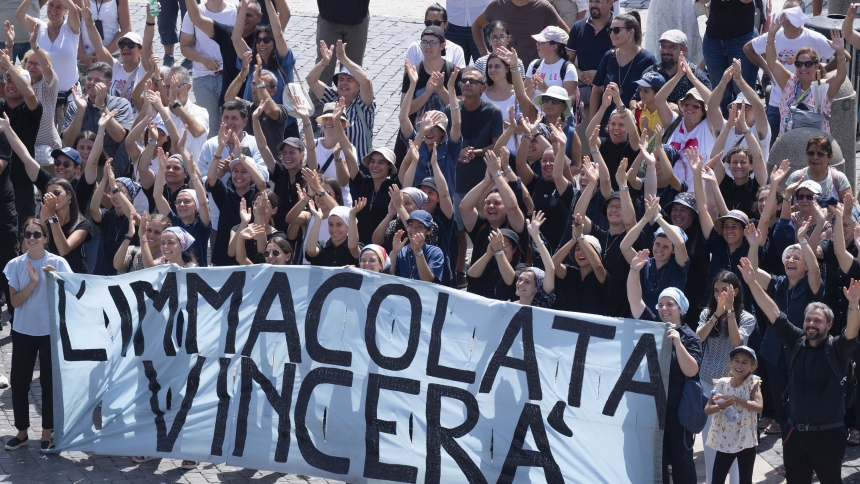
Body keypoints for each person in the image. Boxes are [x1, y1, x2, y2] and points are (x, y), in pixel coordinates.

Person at [741, 259, 860, 484]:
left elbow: (852, 331)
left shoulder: (837, 349)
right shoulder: (796, 340)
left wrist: (854, 304)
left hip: (829, 435)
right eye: (808, 320)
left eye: (817, 320)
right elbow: (774, 312)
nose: (811, 324)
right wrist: (752, 283)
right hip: (794, 434)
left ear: (829, 325)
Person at [627, 250, 702, 484]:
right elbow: (635, 301)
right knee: (656, 462)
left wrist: (678, 343)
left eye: (670, 304)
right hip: (654, 408)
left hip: (678, 411)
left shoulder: (690, 337)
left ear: (681, 309)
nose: (664, 309)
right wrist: (634, 270)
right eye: (660, 304)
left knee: (681, 461)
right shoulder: (654, 328)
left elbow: (692, 370)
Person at [3, 217, 72, 452]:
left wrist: (56, 280)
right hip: (23, 330)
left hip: (50, 331)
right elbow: (14, 302)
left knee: (48, 383)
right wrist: (32, 284)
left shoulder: (58, 263)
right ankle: (21, 433)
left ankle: (46, 433)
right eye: (27, 234)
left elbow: (71, 296)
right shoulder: (14, 264)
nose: (31, 238)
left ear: (45, 238)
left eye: (36, 234)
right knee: (20, 383)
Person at [747, 0, 836, 146]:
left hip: (808, 104)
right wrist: (769, 71)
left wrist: (820, 72)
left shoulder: (814, 37)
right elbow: (749, 48)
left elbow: (843, 57)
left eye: (791, 14)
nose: (785, 18)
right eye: (783, 13)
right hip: (777, 103)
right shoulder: (775, 36)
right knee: (771, 147)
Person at [697, 271, 757, 484]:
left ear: (736, 291)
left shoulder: (747, 318)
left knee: (737, 441)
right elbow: (697, 338)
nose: (719, 294)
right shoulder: (706, 314)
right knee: (711, 441)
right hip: (708, 384)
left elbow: (737, 344)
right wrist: (716, 315)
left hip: (736, 386)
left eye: (725, 290)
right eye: (716, 290)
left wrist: (729, 312)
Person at [181, 0, 264, 132]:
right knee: (215, 133)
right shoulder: (227, 34)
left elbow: (282, 22)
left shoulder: (263, 40)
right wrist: (202, 59)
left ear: (259, 17)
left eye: (248, 15)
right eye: (241, 14)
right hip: (225, 95)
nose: (243, 18)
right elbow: (197, 19)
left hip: (250, 100)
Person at [766, 22, 846, 136]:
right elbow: (772, 62)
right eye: (799, 64)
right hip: (789, 145)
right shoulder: (789, 82)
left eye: (808, 64)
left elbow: (840, 77)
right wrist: (771, 36)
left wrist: (840, 52)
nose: (803, 68)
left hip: (815, 150)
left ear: (817, 66)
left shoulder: (823, 88)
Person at [231, 0, 296, 138]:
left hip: (283, 125)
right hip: (252, 123)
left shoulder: (284, 61)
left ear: (274, 43)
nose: (262, 43)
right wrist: (242, 8)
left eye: (267, 40)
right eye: (258, 40)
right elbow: (236, 38)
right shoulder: (250, 60)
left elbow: (278, 33)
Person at [307, 39, 376, 162]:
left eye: (349, 80)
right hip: (329, 167)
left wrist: (343, 59)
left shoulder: (363, 103)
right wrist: (324, 62)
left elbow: (366, 82)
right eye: (341, 79)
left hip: (358, 167)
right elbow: (311, 80)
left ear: (358, 86)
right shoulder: (331, 98)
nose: (344, 83)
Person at [62, 63, 134, 177]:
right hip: (82, 172)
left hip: (113, 171)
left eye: (98, 80)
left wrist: (101, 106)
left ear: (109, 84)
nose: (92, 83)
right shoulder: (75, 106)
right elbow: (69, 142)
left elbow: (119, 136)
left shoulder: (121, 104)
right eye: (89, 79)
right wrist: (80, 111)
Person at [704, 345, 763, 484]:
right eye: (736, 360)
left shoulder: (752, 383)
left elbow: (759, 407)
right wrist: (720, 406)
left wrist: (736, 400)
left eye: (744, 362)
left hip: (746, 441)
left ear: (752, 367)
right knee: (717, 479)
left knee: (745, 480)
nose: (739, 365)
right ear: (730, 363)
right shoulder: (722, 384)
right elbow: (707, 409)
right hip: (726, 440)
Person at [205, 134, 266, 267]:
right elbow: (211, 178)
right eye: (235, 171)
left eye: (244, 171)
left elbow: (261, 183)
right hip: (224, 260)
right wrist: (221, 147)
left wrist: (241, 156)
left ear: (252, 176)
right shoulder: (225, 194)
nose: (238, 175)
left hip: (250, 260)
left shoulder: (257, 196)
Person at [590, 13, 656, 133]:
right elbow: (596, 90)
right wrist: (593, 123)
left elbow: (655, 93)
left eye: (616, 30)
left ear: (631, 32)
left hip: (634, 128)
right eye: (610, 30)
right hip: (608, 126)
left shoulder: (648, 60)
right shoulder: (609, 56)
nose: (612, 34)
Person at [621, 195, 689, 310]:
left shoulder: (678, 267)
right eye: (657, 244)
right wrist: (645, 219)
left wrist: (657, 217)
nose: (659, 250)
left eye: (666, 247)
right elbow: (624, 247)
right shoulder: (643, 262)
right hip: (641, 320)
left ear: (673, 250)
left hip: (666, 321)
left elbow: (680, 244)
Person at [179, 0, 235, 134]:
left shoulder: (235, 12)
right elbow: (184, 46)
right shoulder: (193, 13)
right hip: (203, 79)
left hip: (229, 79)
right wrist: (203, 59)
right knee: (210, 129)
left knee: (232, 127)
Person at [707, 60, 771, 170]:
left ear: (754, 113)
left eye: (746, 107)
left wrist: (739, 81)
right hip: (725, 185)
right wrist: (723, 83)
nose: (741, 111)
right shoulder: (725, 128)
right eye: (737, 106)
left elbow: (759, 108)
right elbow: (712, 106)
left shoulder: (759, 130)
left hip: (752, 185)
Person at [0, 53, 41, 226]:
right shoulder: (1, 106)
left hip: (22, 182)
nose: (11, 85)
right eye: (8, 80)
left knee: (24, 233)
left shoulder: (31, 109)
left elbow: (30, 95)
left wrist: (9, 66)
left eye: (16, 81)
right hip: (2, 180)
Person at [699, 0, 759, 116]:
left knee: (744, 92)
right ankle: (725, 130)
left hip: (741, 40)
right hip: (713, 41)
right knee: (721, 92)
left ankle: (748, 130)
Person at [565, 0, 614, 141]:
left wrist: (600, 76)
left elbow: (626, 59)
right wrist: (580, 74)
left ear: (611, 2)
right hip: (584, 97)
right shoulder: (578, 27)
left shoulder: (618, 28)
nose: (593, 5)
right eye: (591, 1)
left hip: (610, 97)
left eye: (598, 1)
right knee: (584, 144)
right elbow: (567, 60)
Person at [154, 150, 211, 266]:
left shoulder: (201, 227)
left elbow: (203, 202)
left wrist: (193, 175)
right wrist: (161, 169)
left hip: (197, 278)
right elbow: (157, 196)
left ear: (196, 206)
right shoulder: (174, 221)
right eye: (178, 202)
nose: (182, 205)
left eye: (187, 201)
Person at [470, 0, 568, 67]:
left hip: (532, 74)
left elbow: (566, 34)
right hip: (502, 74)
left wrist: (558, 61)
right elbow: (476, 25)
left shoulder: (543, 7)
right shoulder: (497, 5)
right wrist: (484, 53)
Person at [632, 30, 711, 111]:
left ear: (684, 50)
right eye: (663, 46)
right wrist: (638, 106)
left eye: (671, 47)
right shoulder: (651, 72)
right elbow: (635, 99)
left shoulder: (695, 75)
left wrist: (681, 110)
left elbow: (712, 105)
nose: (666, 51)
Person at [16, 0, 79, 98]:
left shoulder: (71, 28)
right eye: (51, 4)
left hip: (71, 95)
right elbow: (20, 16)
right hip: (43, 96)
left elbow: (74, 10)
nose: (53, 9)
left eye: (59, 7)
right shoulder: (38, 26)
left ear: (66, 10)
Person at [19, 23, 61, 168]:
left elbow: (48, 68)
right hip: (24, 145)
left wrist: (34, 45)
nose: (32, 66)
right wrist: (11, 45)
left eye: (37, 64)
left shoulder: (49, 83)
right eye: (29, 63)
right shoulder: (20, 83)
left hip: (47, 146)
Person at [552, 213, 607, 314]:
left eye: (586, 250)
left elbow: (598, 266)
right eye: (577, 249)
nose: (581, 253)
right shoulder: (570, 273)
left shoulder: (601, 276)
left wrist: (580, 237)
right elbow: (553, 265)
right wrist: (574, 240)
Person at [39, 178, 91, 274]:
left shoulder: (82, 224)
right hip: (48, 274)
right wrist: (41, 222)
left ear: (69, 195)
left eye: (56, 193)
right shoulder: (46, 221)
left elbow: (63, 250)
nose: (52, 198)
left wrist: (52, 217)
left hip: (73, 276)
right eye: (48, 195)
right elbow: (26, 249)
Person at [313, 0, 370, 88]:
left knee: (352, 69)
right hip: (328, 13)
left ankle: (350, 101)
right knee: (324, 66)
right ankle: (318, 102)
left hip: (357, 13)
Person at [784, 136, 852, 201]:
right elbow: (782, 208)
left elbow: (852, 209)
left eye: (820, 154)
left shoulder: (839, 179)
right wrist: (797, 208)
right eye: (811, 153)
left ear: (830, 156)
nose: (815, 157)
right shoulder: (795, 178)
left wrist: (833, 208)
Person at [466, 228, 524, 301]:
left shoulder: (522, 268)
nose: (500, 246)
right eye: (496, 243)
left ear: (514, 249)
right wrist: (488, 254)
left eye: (504, 243)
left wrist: (499, 251)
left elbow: (512, 282)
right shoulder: (488, 264)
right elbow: (470, 277)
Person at [404, 4, 466, 68]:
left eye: (437, 23)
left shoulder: (456, 50)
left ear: (446, 24)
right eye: (428, 23)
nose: (432, 26)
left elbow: (459, 77)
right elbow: (407, 76)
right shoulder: (415, 48)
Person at [390, 209, 444, 283]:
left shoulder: (435, 252)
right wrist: (395, 252)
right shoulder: (401, 250)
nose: (414, 229)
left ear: (429, 231)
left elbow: (427, 280)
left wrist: (418, 251)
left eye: (420, 227)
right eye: (411, 225)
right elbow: (387, 273)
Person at [527, 26, 577, 104]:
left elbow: (571, 101)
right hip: (536, 116)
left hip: (559, 116)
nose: (537, 44)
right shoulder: (534, 65)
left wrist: (547, 90)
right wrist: (531, 88)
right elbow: (522, 98)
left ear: (554, 46)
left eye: (541, 42)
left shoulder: (568, 68)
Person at [642, 0, 702, 66]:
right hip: (662, 6)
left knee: (686, 34)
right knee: (661, 34)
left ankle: (688, 68)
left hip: (683, 5)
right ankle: (660, 67)